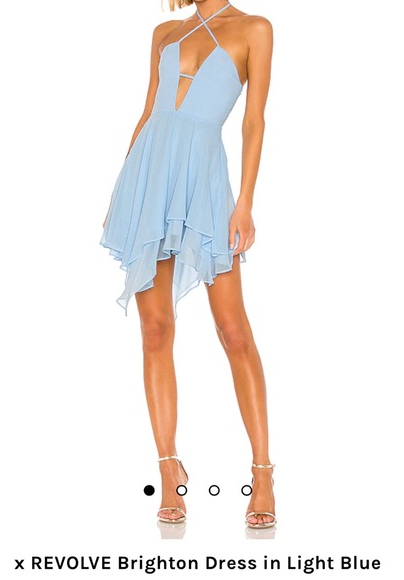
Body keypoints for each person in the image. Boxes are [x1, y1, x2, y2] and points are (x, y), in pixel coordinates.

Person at [100, 0, 275, 528]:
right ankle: (169, 470)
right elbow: (148, 114)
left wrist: (245, 202)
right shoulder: (164, 32)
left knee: (233, 330)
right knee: (155, 330)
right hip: (148, 180)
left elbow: (253, 121)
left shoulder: (254, 29)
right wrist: (122, 193)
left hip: (204, 183)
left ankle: (263, 474)